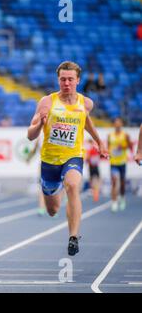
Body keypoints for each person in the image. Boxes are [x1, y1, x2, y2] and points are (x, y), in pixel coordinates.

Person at [27, 61, 108, 256]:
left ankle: (73, 237)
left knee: (73, 185)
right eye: (63, 79)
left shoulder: (86, 103)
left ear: (78, 80)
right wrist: (41, 124)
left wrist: (99, 141)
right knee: (53, 209)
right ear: (58, 80)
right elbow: (30, 135)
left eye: (70, 79)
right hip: (49, 160)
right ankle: (55, 189)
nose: (66, 83)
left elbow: (86, 121)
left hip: (73, 156)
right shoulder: (47, 102)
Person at [108, 118, 131, 212]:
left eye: (119, 123)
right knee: (114, 181)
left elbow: (129, 146)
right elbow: (108, 146)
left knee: (122, 183)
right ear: (114, 125)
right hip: (113, 162)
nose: (117, 125)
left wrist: (122, 147)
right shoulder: (110, 135)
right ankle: (114, 202)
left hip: (122, 162)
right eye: (116, 123)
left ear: (121, 124)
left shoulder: (125, 135)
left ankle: (122, 197)